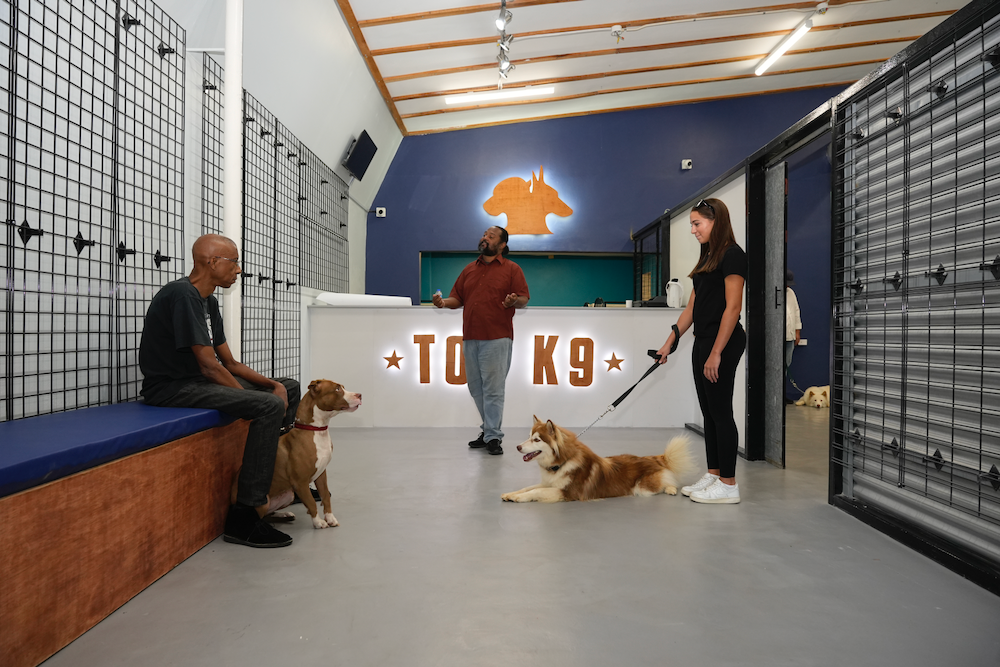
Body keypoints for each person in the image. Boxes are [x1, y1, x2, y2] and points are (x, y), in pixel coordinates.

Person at [139, 234, 301, 548]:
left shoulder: (208, 300)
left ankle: (277, 483)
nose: (238, 270)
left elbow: (228, 361)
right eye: (234, 261)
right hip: (173, 389)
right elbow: (208, 367)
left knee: (289, 388)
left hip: (201, 383)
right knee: (267, 406)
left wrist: (273, 385)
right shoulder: (183, 295)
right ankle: (245, 515)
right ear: (212, 262)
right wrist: (258, 398)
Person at [655, 198, 747, 504]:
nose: (693, 230)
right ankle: (715, 472)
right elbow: (693, 306)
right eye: (692, 224)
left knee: (721, 412)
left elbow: (733, 308)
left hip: (724, 341)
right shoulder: (707, 257)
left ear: (716, 221)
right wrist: (671, 339)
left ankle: (729, 485)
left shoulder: (733, 256)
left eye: (698, 223)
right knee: (708, 413)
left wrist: (717, 352)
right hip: (704, 339)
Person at [432, 226, 529, 456]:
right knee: (476, 388)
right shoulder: (469, 270)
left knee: (493, 390)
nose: (485, 238)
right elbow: (458, 298)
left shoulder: (512, 269)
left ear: (502, 245)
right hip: (471, 337)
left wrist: (512, 301)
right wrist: (443, 303)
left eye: (491, 236)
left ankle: (493, 436)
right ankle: (489, 431)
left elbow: (523, 298)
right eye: (484, 235)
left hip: (497, 337)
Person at [785, 270, 802, 403]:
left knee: (786, 364)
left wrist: (797, 331)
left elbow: (796, 311)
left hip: (790, 336)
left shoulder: (791, 293)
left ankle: (782, 393)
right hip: (778, 337)